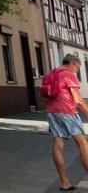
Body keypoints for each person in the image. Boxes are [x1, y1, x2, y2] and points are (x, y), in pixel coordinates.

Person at [43, 53, 88, 191]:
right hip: (67, 112)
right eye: (77, 67)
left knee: (58, 143)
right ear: (72, 63)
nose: (77, 71)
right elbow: (78, 101)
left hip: (52, 112)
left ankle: (65, 182)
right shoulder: (68, 74)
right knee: (83, 143)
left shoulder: (51, 74)